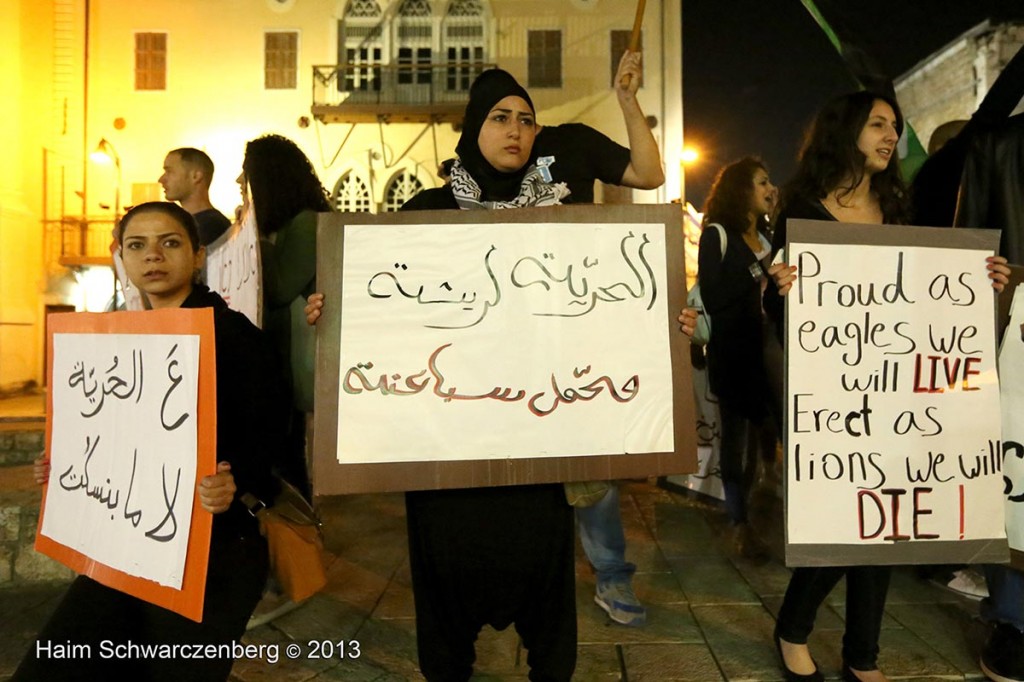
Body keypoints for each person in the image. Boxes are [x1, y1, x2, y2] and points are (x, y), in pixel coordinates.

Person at [309, 68, 577, 681]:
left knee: (550, 612)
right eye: (500, 117)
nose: (517, 130)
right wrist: (334, 311)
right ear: (473, 128)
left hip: (535, 444)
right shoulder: (426, 212)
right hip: (445, 454)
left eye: (527, 119)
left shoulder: (562, 220)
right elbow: (385, 307)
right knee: (446, 616)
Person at [765, 92, 1009, 682]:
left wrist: (985, 283)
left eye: (894, 128)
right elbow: (783, 316)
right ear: (844, 130)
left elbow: (928, 292)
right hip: (833, 394)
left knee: (886, 517)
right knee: (843, 520)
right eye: (877, 124)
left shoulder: (899, 208)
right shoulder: (802, 208)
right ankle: (794, 629)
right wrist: (783, 287)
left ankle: (862, 654)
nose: (889, 136)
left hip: (897, 392)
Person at [13, 202, 285, 681]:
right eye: (137, 245)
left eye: (170, 243)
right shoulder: (114, 341)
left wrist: (235, 480)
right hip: (122, 545)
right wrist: (64, 466)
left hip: (210, 554)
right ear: (122, 257)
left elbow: (273, 441)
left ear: (198, 256)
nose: (153, 256)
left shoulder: (237, 337)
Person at [696, 156, 777, 560]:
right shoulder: (717, 234)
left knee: (767, 431)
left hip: (769, 351)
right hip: (733, 353)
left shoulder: (769, 238)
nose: (770, 189)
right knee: (736, 438)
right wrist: (757, 269)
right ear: (741, 189)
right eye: (762, 182)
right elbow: (713, 295)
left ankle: (760, 502)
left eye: (770, 182)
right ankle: (739, 519)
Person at [159, 148, 232, 246]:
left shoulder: (211, 226)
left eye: (169, 171)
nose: (161, 179)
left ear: (196, 176)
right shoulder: (187, 223)